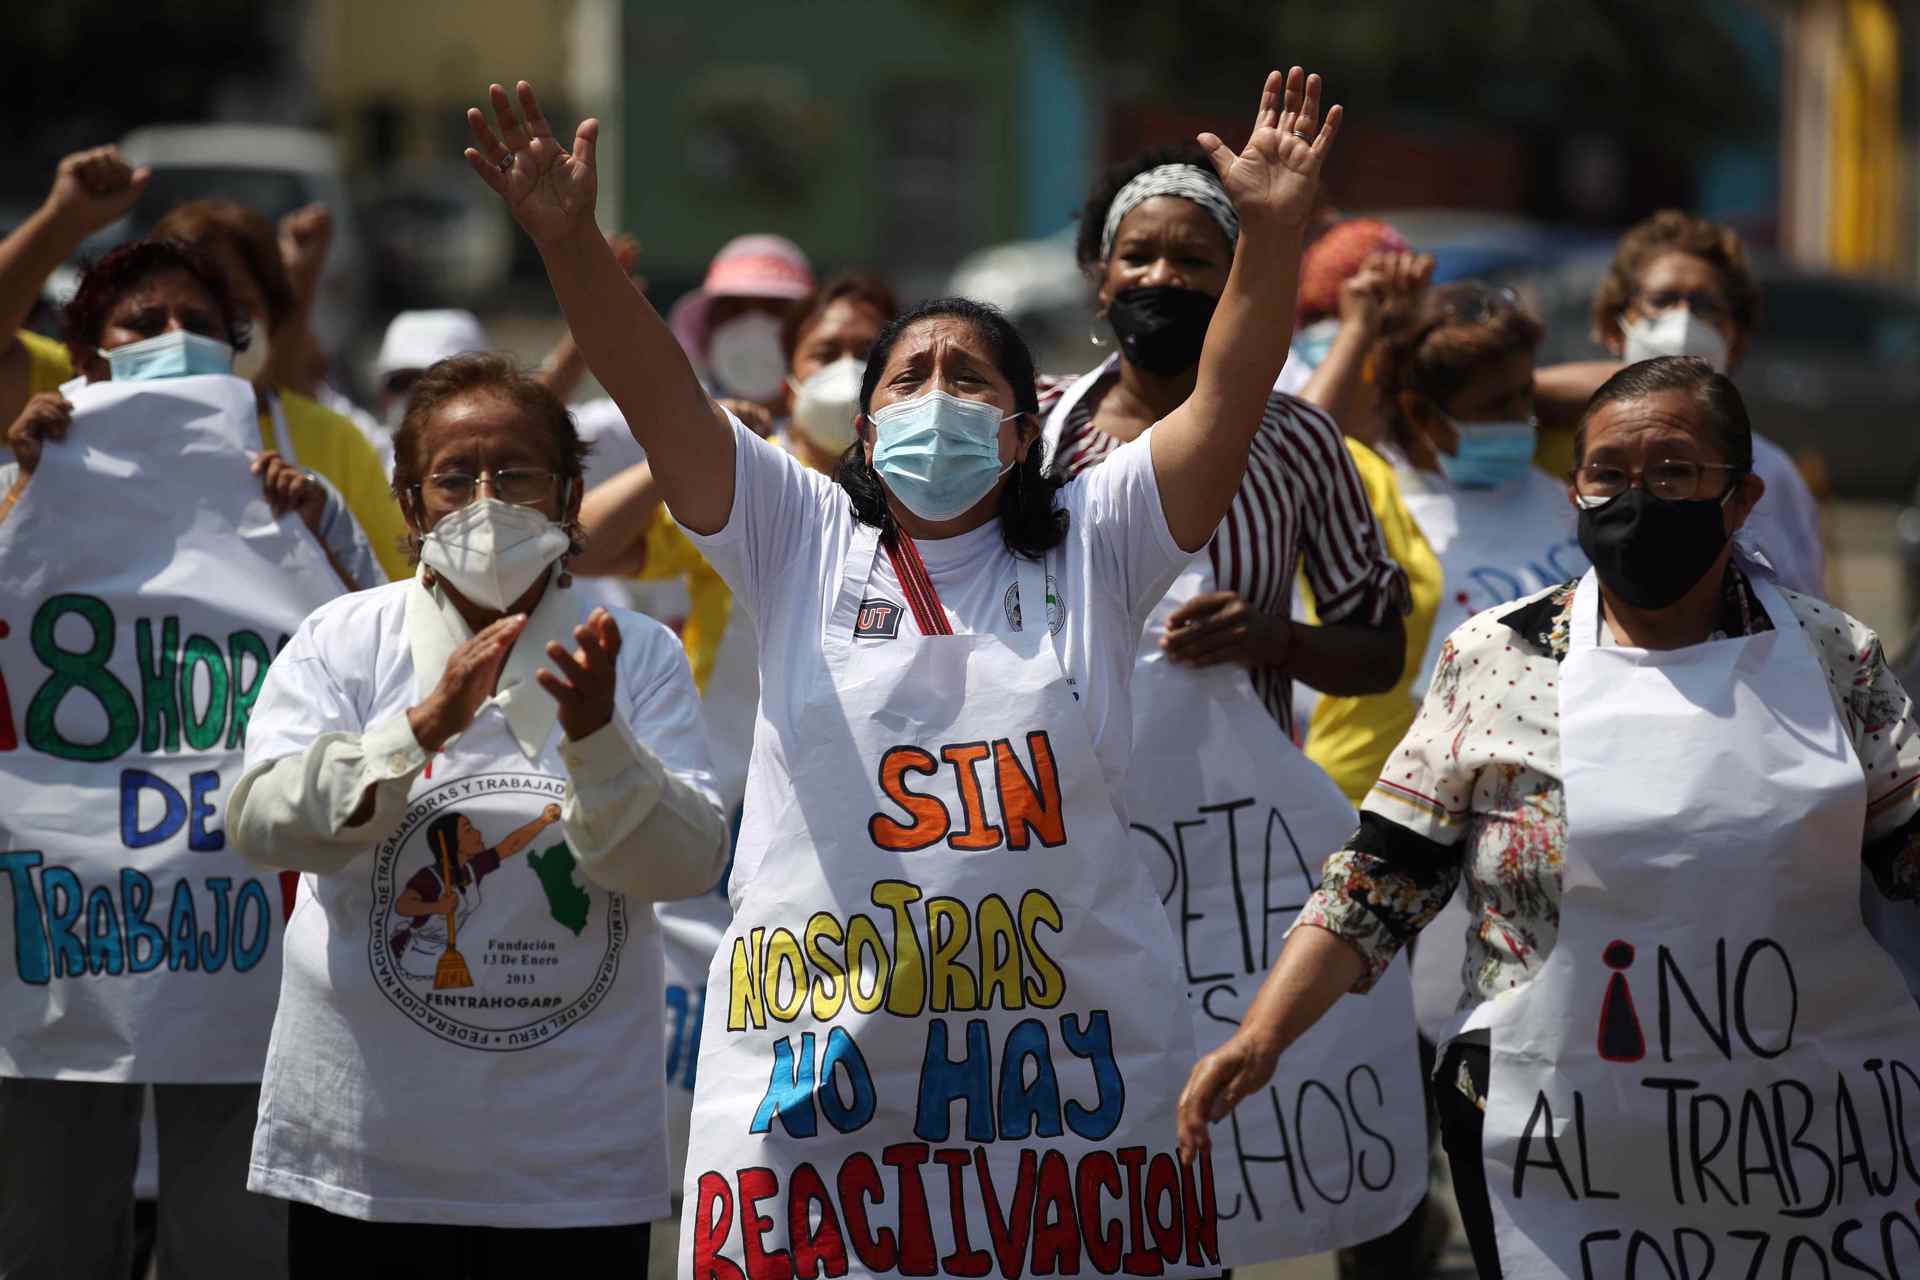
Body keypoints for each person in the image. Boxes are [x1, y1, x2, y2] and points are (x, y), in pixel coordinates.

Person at [465, 68, 1338, 1273]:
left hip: (1068, 1086)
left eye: (969, 377)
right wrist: (568, 244)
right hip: (825, 1082)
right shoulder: (796, 530)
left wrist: (1277, 232)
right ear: (863, 431)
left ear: (1024, 427)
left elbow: (1233, 385)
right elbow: (654, 389)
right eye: (908, 379)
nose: (937, 396)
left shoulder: (1107, 534)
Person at [1180, 357, 1920, 1278]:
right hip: (1556, 1150)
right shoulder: (1497, 659)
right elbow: (1382, 878)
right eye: (1608, 473)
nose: (1637, 498)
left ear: (1740, 499)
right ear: (1574, 489)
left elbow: (1907, 852)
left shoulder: (1832, 658)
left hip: (1799, 1144)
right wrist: (1262, 1038)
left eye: (1675, 472)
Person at [226, 353, 729, 1270]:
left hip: (570, 1165)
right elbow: (261, 823)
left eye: (518, 473)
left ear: (571, 498)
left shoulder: (635, 656)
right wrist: (416, 729)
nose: (488, 500)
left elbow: (687, 864)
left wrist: (598, 740)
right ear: (411, 509)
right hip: (367, 1155)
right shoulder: (344, 643)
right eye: (455, 478)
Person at [1046, 146, 1431, 1270]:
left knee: (1208, 1140)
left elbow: (1376, 645)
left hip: (1234, 871)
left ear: (1239, 283)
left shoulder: (1302, 439)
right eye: (1140, 255)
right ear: (1100, 280)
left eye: (1197, 258)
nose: (1164, 277)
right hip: (1066, 846)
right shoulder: (1040, 437)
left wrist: (1272, 636)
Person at [2, 239, 368, 591]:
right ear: (86, 359)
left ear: (228, 353)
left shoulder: (305, 501)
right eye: (145, 323)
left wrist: (309, 542)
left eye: (199, 325)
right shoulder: (18, 484)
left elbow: (376, 643)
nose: (177, 337)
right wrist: (28, 491)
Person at [1536, 210, 1826, 596]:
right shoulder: (1551, 447)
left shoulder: (1772, 472)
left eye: (1706, 306)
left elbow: (1801, 614)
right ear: (1613, 327)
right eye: (1663, 299)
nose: (1684, 320)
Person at [150, 198, 411, 581]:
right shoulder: (101, 435)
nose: (218, 328)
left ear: (272, 317)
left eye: (238, 307)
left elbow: (395, 597)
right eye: (195, 311)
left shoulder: (334, 442)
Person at [665, 231, 814, 431]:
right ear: (707, 325)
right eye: (734, 308)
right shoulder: (664, 417)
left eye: (774, 307)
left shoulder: (839, 429)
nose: (754, 324)